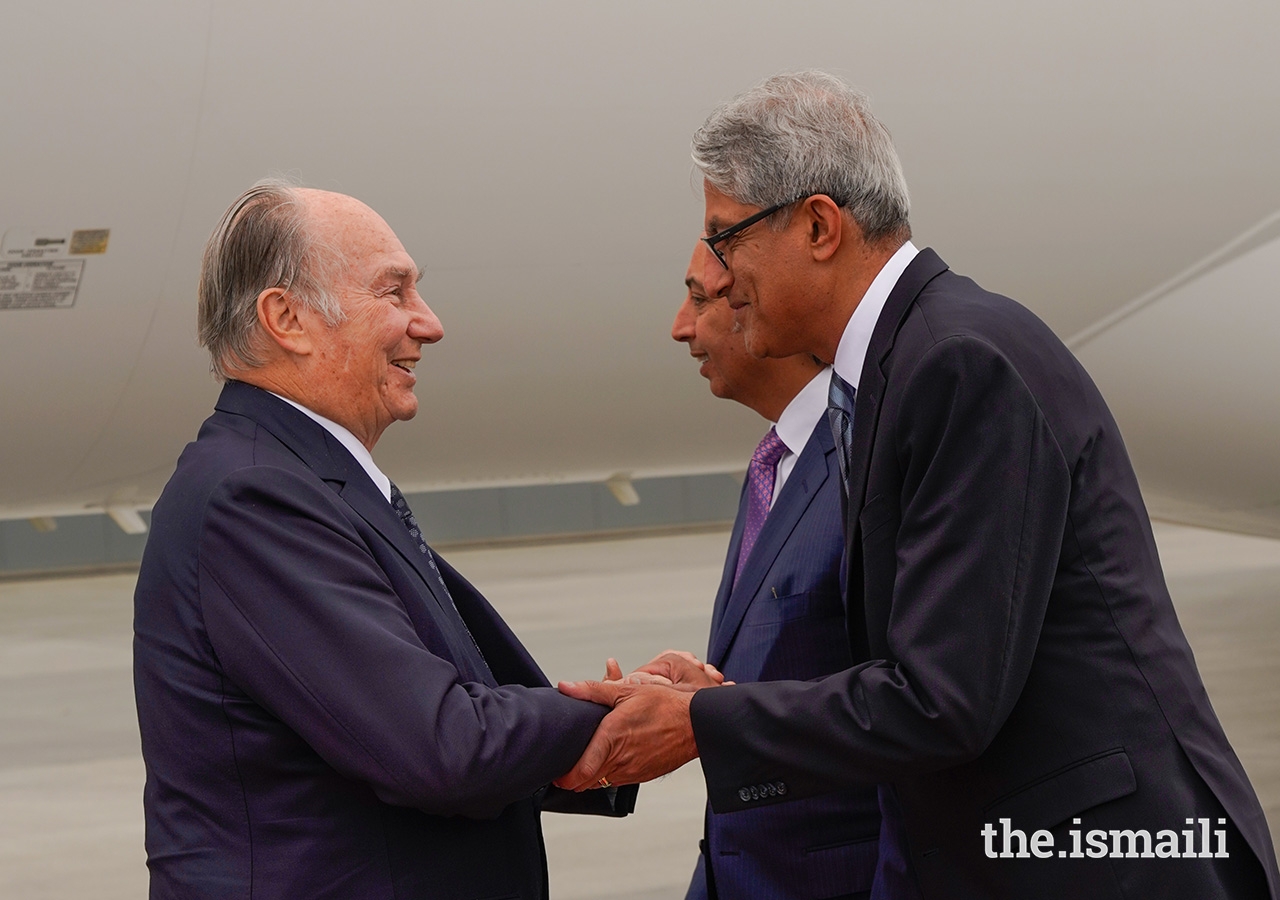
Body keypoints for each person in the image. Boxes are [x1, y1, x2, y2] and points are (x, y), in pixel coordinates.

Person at [557, 72, 1279, 899]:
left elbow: (942, 701)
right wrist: (729, 700)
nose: (715, 276)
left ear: (819, 226)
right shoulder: (902, 369)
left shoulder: (957, 365)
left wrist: (701, 723)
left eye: (726, 239)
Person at [133, 180, 630, 900]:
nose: (428, 324)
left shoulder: (301, 476)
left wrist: (614, 732)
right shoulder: (255, 496)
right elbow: (437, 746)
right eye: (393, 292)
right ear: (288, 318)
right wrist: (621, 714)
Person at [671, 242, 898, 899]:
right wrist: (707, 691)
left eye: (699, 296)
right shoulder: (779, 458)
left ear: (764, 304)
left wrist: (702, 717)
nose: (680, 326)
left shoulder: (866, 458)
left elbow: (909, 699)